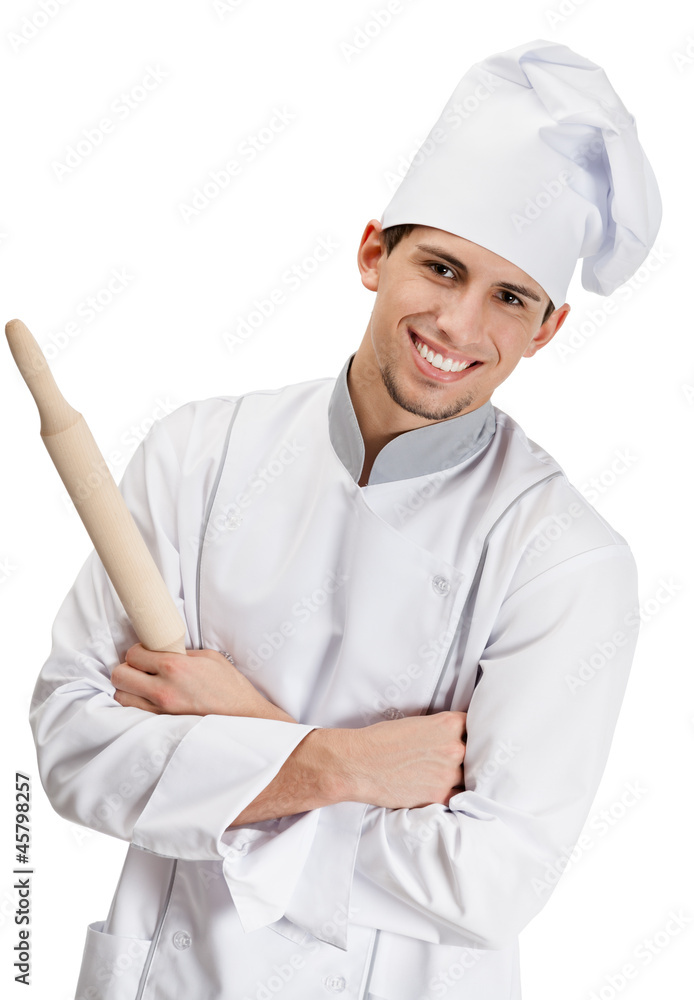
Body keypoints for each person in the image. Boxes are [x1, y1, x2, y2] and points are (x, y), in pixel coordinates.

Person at [30, 39, 661, 1000]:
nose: (459, 325)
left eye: (510, 297)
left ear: (548, 328)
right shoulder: (197, 457)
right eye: (441, 267)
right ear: (374, 252)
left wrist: (236, 733)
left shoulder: (565, 562)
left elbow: (485, 881)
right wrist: (342, 766)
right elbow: (75, 747)